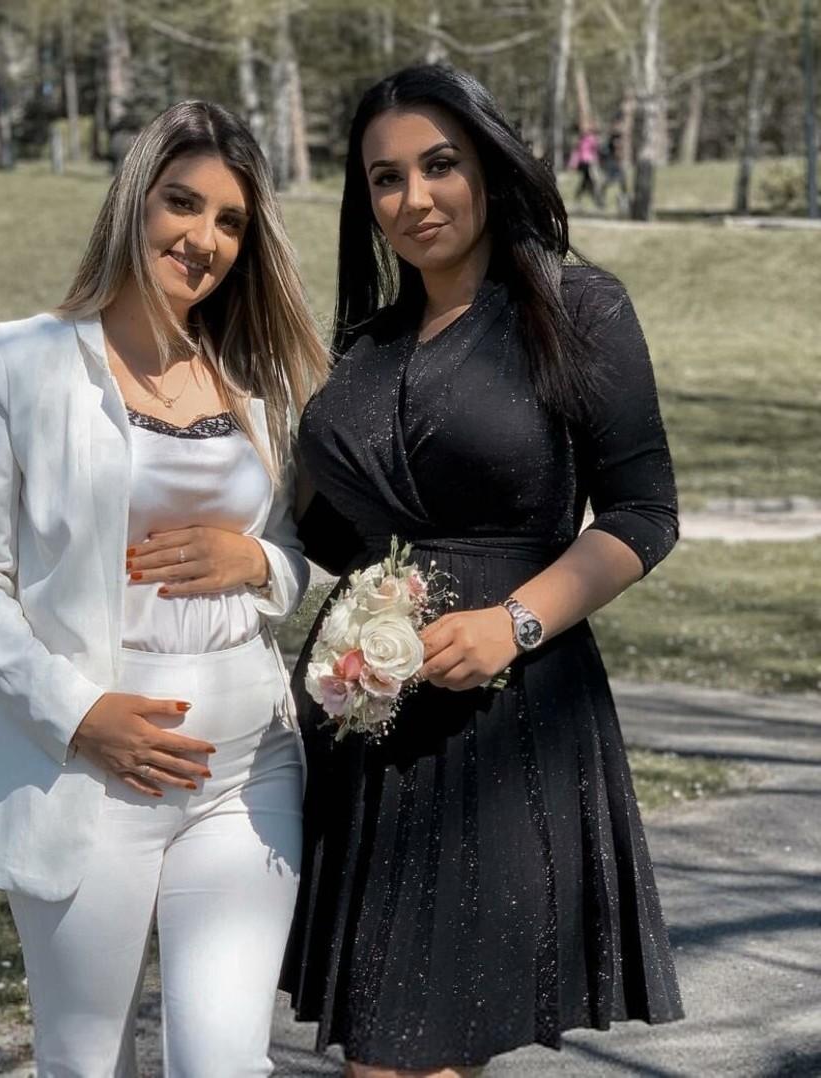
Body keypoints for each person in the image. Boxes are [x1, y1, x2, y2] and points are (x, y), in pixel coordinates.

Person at [282, 65, 684, 1077]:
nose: (414, 198)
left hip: (507, 722)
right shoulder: (365, 346)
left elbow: (643, 515)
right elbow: (328, 530)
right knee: (392, 1049)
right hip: (370, 724)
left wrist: (515, 621)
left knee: (407, 1052)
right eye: (385, 178)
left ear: (489, 167)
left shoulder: (576, 307)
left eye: (440, 165)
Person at [0, 100, 329, 1077]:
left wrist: (258, 563)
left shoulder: (262, 380)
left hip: (249, 766)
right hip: (87, 770)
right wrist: (81, 714)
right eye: (182, 203)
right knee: (85, 1065)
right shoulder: (12, 361)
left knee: (226, 1066)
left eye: (230, 221)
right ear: (133, 201)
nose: (204, 239)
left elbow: (298, 555)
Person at [569, 124, 604, 209]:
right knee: (591, 182)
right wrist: (573, 163)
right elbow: (578, 153)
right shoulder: (585, 140)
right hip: (586, 163)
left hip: (588, 163)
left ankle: (579, 199)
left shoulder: (587, 139)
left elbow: (595, 150)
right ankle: (597, 201)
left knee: (587, 182)